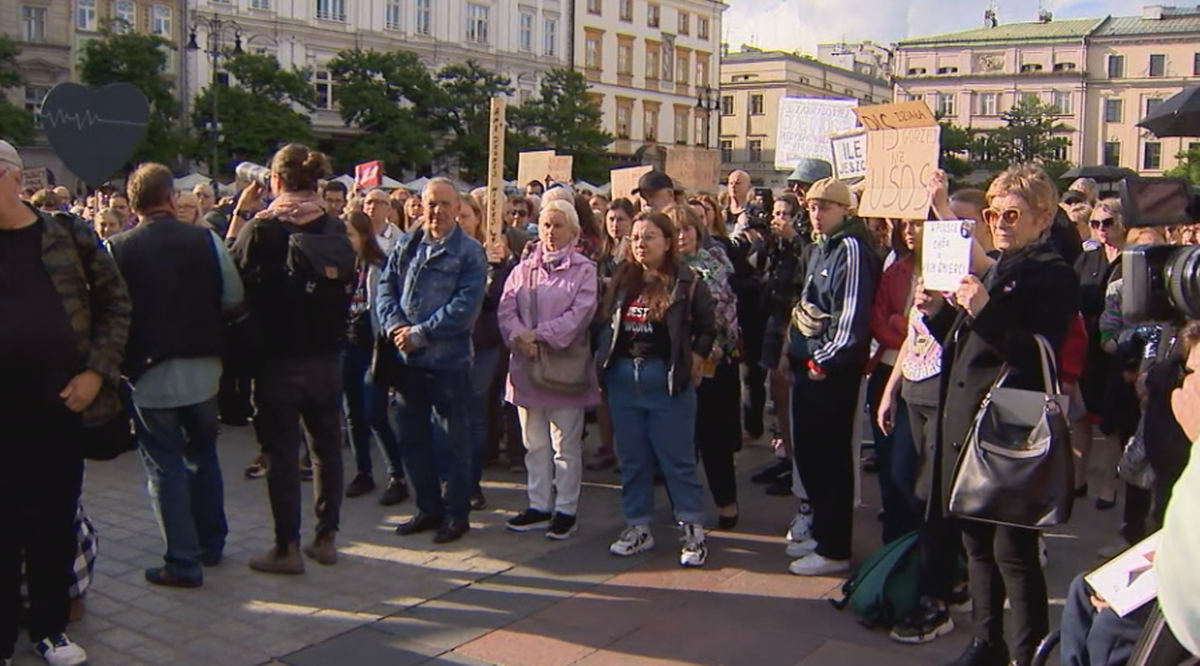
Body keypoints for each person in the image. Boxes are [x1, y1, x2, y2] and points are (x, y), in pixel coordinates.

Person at [918, 164, 1078, 666]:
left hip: (1011, 425)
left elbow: (1034, 353)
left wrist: (983, 307)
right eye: (994, 213)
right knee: (976, 544)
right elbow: (964, 339)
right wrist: (937, 310)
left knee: (1014, 552)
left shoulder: (1053, 272)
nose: (1001, 222)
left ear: (1043, 216)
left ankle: (1028, 652)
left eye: (1013, 213)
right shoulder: (1004, 264)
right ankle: (987, 641)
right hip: (968, 421)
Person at [0, 139, 130, 666]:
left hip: (59, 407)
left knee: (53, 522)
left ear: (12, 177)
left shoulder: (67, 234)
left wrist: (97, 372)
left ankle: (51, 629)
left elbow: (116, 303)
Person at [106, 163, 242, 589]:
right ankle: (211, 543)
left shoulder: (117, 248)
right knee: (204, 455)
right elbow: (233, 296)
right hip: (204, 368)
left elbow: (107, 313)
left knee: (164, 465)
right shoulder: (205, 239)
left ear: (132, 204)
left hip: (149, 374)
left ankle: (183, 561)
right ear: (170, 198)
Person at [231, 144, 352, 574]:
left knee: (281, 454)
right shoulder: (333, 228)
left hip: (277, 362)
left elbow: (231, 286)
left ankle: (286, 548)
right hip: (325, 360)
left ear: (275, 182)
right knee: (327, 451)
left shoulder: (261, 230)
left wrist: (239, 220)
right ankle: (326, 538)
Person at [595, 211, 717, 567]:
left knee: (677, 461)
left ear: (667, 241)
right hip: (623, 380)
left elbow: (709, 326)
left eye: (649, 237)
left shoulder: (686, 281)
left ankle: (692, 529)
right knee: (632, 460)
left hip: (666, 380)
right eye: (635, 238)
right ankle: (638, 526)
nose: (640, 244)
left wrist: (696, 356)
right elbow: (606, 324)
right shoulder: (622, 279)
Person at [377, 178, 487, 545]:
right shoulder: (407, 244)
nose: (435, 211)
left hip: (447, 363)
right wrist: (394, 324)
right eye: (429, 204)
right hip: (407, 361)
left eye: (443, 204)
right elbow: (385, 286)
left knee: (452, 441)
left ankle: (457, 514)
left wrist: (419, 333)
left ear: (457, 208)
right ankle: (427, 508)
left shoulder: (469, 252)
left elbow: (464, 309)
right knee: (412, 437)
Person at [785, 177, 880, 577]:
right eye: (811, 206)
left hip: (829, 373)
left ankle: (834, 545)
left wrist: (819, 360)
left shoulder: (852, 250)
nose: (816, 214)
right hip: (808, 368)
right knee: (810, 454)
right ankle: (822, 533)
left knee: (831, 458)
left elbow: (851, 318)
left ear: (845, 209)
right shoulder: (821, 249)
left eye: (825, 206)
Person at [497, 199, 600, 539]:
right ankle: (539, 504)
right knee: (534, 443)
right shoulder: (523, 267)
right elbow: (506, 307)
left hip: (564, 370)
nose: (551, 232)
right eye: (545, 225)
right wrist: (517, 337)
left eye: (558, 226)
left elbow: (579, 316)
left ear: (573, 231)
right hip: (527, 367)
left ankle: (566, 508)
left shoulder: (584, 269)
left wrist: (537, 336)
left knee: (565, 446)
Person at [669, 203, 742, 529]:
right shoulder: (661, 269)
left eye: (686, 228)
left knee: (715, 441)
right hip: (674, 365)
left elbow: (724, 314)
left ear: (698, 231)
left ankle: (727, 505)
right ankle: (684, 510)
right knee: (679, 443)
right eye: (674, 230)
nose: (681, 236)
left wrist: (707, 347)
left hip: (714, 362)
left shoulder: (715, 264)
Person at [341, 210, 410, 506]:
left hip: (375, 349)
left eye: (349, 236)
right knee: (353, 412)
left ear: (362, 237)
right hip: (349, 346)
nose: (345, 242)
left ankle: (398, 476)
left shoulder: (378, 266)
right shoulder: (343, 267)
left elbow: (384, 308)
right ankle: (363, 471)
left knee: (374, 412)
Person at [454, 195, 516, 510]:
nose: (458, 221)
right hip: (448, 344)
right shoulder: (438, 251)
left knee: (474, 416)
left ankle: (472, 483)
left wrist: (499, 265)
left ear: (478, 218)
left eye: (464, 215)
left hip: (482, 344)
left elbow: (498, 298)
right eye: (455, 215)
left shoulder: (490, 254)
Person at [867, 217, 922, 544]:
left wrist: (901, 324)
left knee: (911, 468)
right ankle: (893, 546)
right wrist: (905, 331)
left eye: (918, 224)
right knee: (888, 463)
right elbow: (878, 320)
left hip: (924, 379)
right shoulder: (895, 271)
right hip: (886, 370)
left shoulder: (950, 274)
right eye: (906, 225)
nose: (910, 231)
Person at [1074, 199, 1127, 508]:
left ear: (1121, 224)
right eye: (1095, 223)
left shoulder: (1133, 258)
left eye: (1107, 223)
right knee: (1080, 416)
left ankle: (1108, 485)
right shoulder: (1088, 257)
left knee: (1111, 421)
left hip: (1117, 349)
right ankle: (1078, 479)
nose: (1101, 229)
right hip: (1086, 346)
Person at [724, 169, 770, 443]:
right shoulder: (721, 212)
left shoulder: (755, 217)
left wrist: (747, 233)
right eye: (730, 182)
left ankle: (753, 424)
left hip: (750, 298)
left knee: (751, 367)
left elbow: (757, 257)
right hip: (728, 295)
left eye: (738, 182)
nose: (733, 186)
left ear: (748, 186)